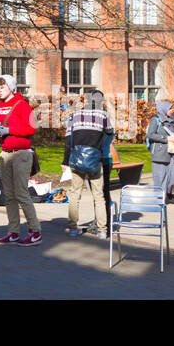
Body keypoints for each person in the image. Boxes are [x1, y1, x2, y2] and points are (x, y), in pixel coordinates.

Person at [0, 74, 41, 246]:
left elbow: (31, 128)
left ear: (12, 88)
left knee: (21, 193)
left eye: (3, 87)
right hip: (5, 153)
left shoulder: (22, 105)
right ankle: (13, 232)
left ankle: (35, 231)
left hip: (21, 153)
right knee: (9, 195)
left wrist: (9, 130)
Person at [63, 90, 114, 239]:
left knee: (74, 195)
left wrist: (65, 161)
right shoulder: (103, 116)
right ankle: (102, 230)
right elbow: (110, 132)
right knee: (99, 197)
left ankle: (73, 228)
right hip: (94, 160)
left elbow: (67, 140)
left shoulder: (75, 115)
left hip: (76, 159)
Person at [146, 100, 174, 201]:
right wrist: (166, 139)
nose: (171, 110)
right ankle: (160, 198)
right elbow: (150, 135)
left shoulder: (173, 121)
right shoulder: (155, 120)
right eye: (170, 108)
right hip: (160, 153)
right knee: (160, 177)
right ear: (163, 109)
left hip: (173, 152)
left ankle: (169, 192)